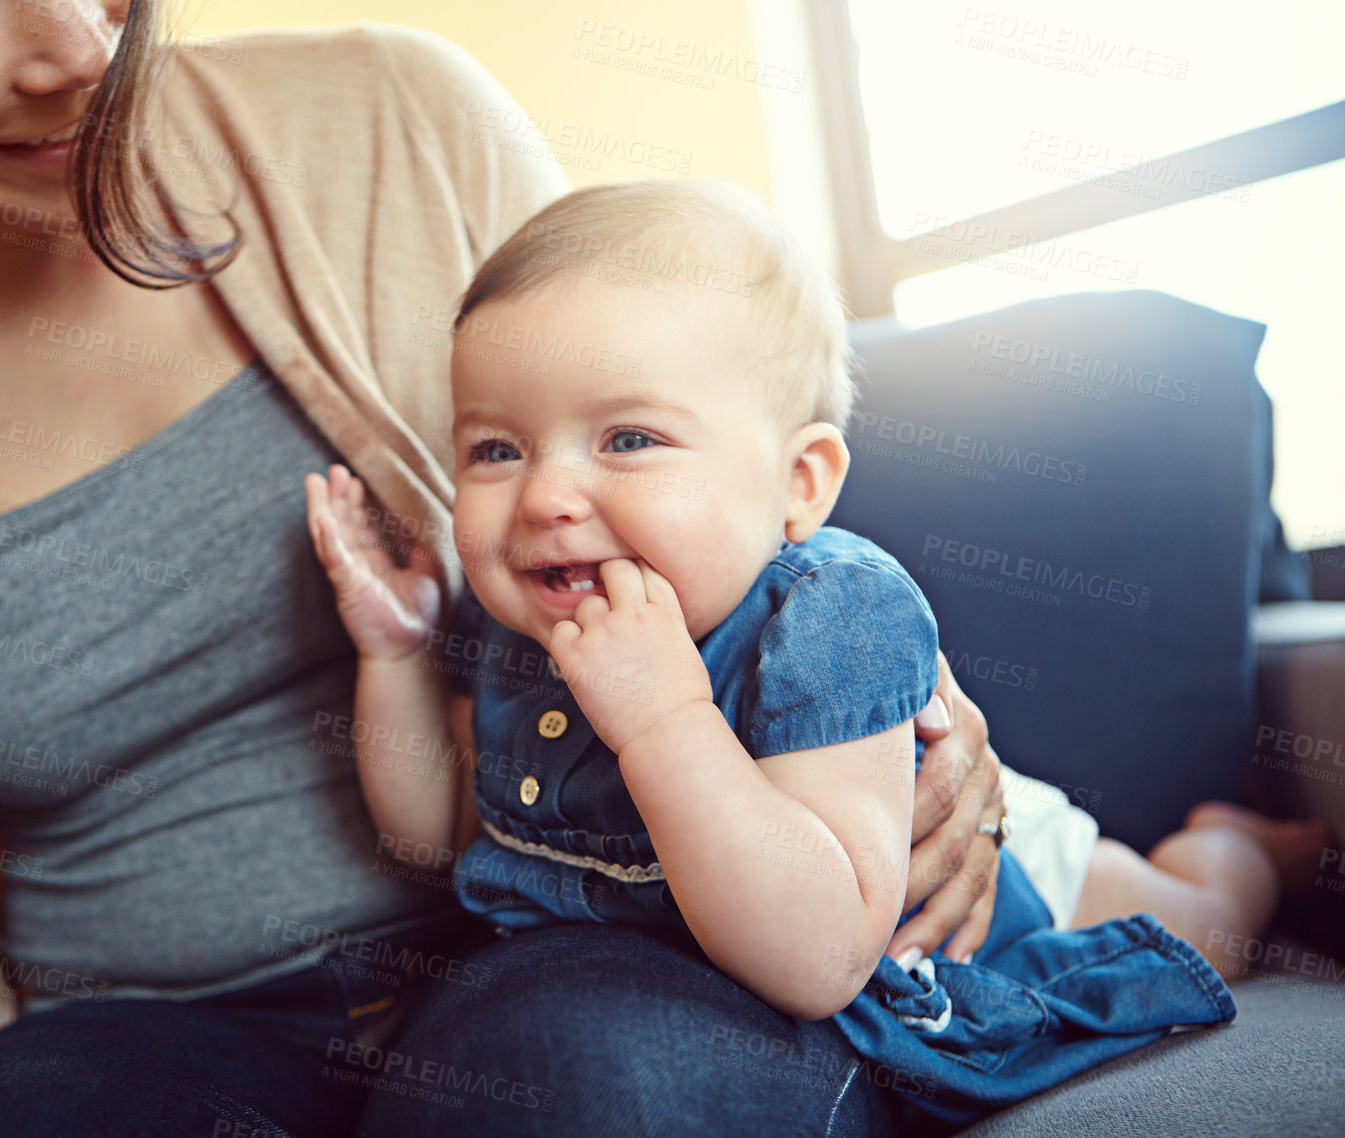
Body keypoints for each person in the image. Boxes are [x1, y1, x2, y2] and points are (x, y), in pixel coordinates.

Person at [0, 0, 1010, 1135]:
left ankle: (1192, 873)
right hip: (151, 1033)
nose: (82, 47)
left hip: (555, 947)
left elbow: (701, 451)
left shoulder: (397, 122)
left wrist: (905, 722)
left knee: (582, 1081)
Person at [304, 179, 1336, 1130]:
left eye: (627, 439)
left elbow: (818, 954)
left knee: (1194, 927)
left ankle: (1242, 851)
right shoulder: (527, 627)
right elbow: (435, 828)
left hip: (992, 871)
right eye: (496, 448)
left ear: (799, 483)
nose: (542, 497)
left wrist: (662, 718)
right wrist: (392, 652)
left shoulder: (831, 616)